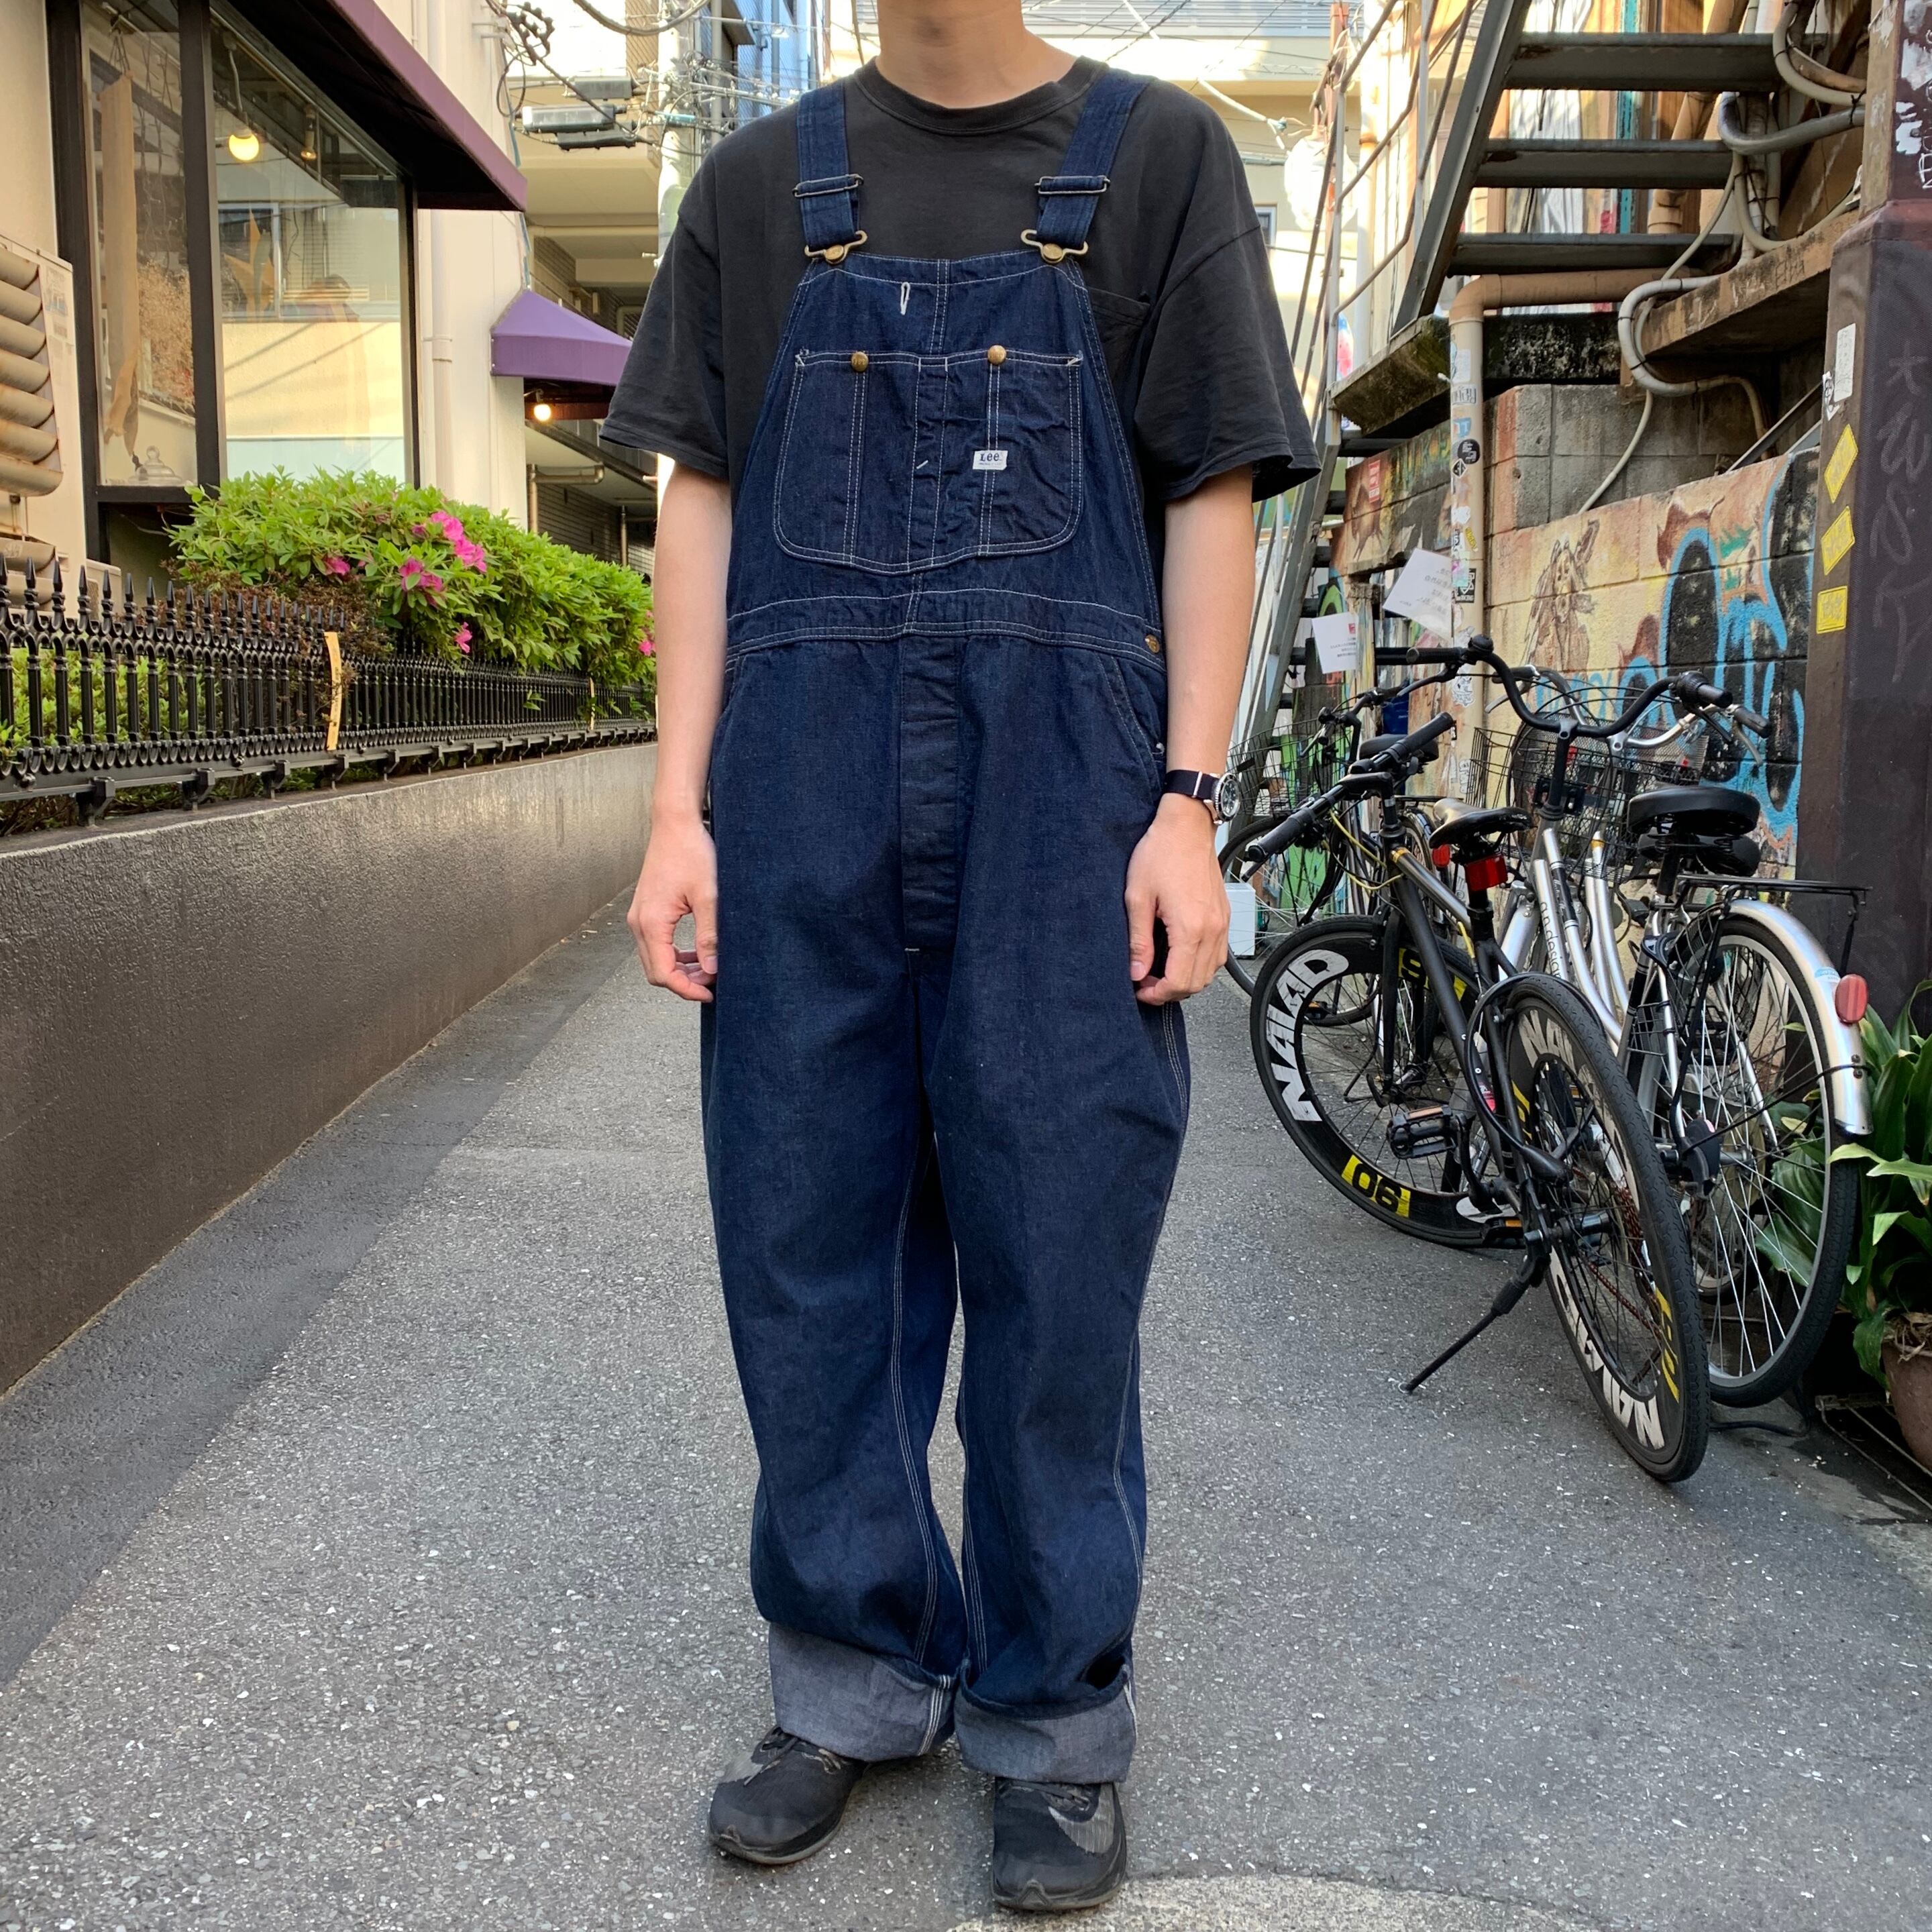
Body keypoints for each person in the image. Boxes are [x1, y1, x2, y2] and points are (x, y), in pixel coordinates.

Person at [609, 1, 1314, 1911]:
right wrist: (677, 811)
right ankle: (852, 1676)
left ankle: (1052, 1713)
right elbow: (701, 498)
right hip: (797, 791)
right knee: (805, 1243)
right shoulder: (756, 187)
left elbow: (1211, 489)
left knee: (1058, 1253)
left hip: (1069, 800)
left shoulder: (1160, 160)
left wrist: (1189, 804)